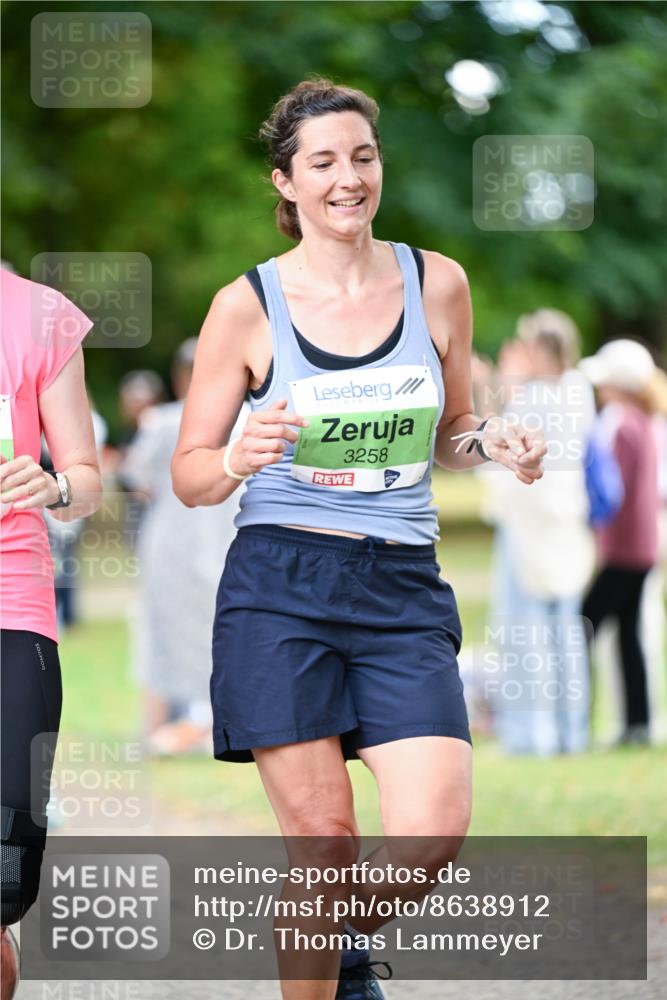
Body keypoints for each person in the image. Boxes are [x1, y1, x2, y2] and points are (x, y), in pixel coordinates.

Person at [171, 78, 545, 1000]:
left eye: (363, 157)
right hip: (281, 585)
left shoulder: (436, 283)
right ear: (286, 182)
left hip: (401, 585)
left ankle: (326, 942)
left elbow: (452, 431)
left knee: (431, 835)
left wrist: (491, 442)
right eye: (324, 163)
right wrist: (238, 455)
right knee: (325, 845)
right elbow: (189, 474)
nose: (348, 179)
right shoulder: (246, 305)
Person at [0, 267, 102, 996]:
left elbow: (85, 480)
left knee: (4, 874)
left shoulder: (42, 316)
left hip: (13, 604)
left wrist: (55, 485)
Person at [121, 339, 248, 753]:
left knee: (160, 632)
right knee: (228, 633)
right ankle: (218, 723)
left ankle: (159, 727)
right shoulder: (253, 420)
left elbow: (137, 480)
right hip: (233, 539)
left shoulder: (161, 422)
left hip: (172, 542)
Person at [483, 310, 596, 755]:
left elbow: (498, 452)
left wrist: (497, 388)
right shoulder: (579, 389)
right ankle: (571, 731)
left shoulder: (533, 398)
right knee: (566, 632)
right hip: (568, 522)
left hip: (528, 523)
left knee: (523, 631)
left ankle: (532, 734)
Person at [579, 339, 664, 746]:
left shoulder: (620, 423)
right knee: (629, 633)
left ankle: (578, 719)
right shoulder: (645, 420)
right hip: (643, 548)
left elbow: (612, 490)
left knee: (583, 624)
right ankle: (637, 722)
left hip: (624, 549)